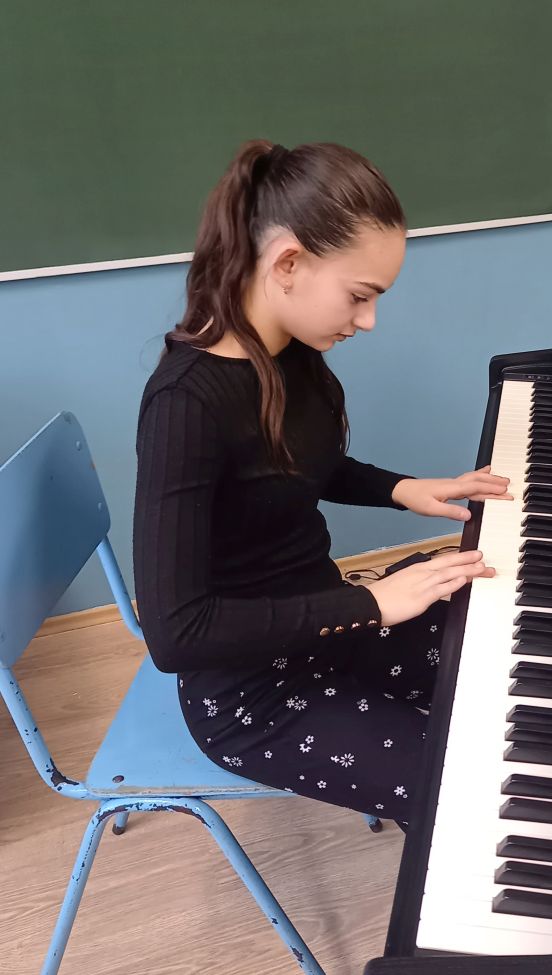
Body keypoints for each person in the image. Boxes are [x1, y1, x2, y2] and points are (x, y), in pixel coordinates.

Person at [133, 139, 511, 826]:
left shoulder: (289, 352)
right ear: (288, 264)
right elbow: (176, 635)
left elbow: (298, 464)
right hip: (253, 693)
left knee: (500, 634)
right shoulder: (184, 405)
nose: (367, 320)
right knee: (474, 794)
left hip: (327, 623)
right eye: (359, 296)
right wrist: (371, 604)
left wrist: (403, 489)